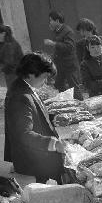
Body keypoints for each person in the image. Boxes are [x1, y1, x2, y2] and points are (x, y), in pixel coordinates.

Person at [5, 53, 65, 184]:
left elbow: (33, 114)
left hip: (38, 155)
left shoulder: (24, 86)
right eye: (44, 77)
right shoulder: (20, 96)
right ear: (31, 74)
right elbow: (23, 134)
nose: (46, 82)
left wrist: (52, 118)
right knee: (48, 189)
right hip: (35, 159)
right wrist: (53, 143)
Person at [45, 10, 83, 100]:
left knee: (74, 87)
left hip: (69, 65)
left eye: (51, 20)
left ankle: (81, 104)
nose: (50, 23)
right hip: (60, 65)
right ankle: (67, 101)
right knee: (59, 84)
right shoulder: (57, 31)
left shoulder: (67, 31)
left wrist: (53, 44)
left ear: (57, 21)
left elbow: (70, 47)